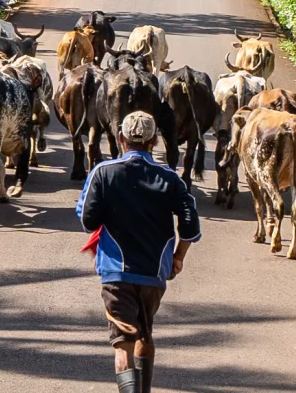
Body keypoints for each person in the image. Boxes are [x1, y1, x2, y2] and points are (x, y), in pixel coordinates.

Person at [77, 112, 200, 393]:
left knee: (123, 347)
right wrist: (178, 256)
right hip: (155, 273)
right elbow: (191, 225)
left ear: (121, 138)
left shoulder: (103, 172)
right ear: (154, 141)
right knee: (145, 333)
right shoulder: (170, 178)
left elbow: (88, 221)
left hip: (116, 274)